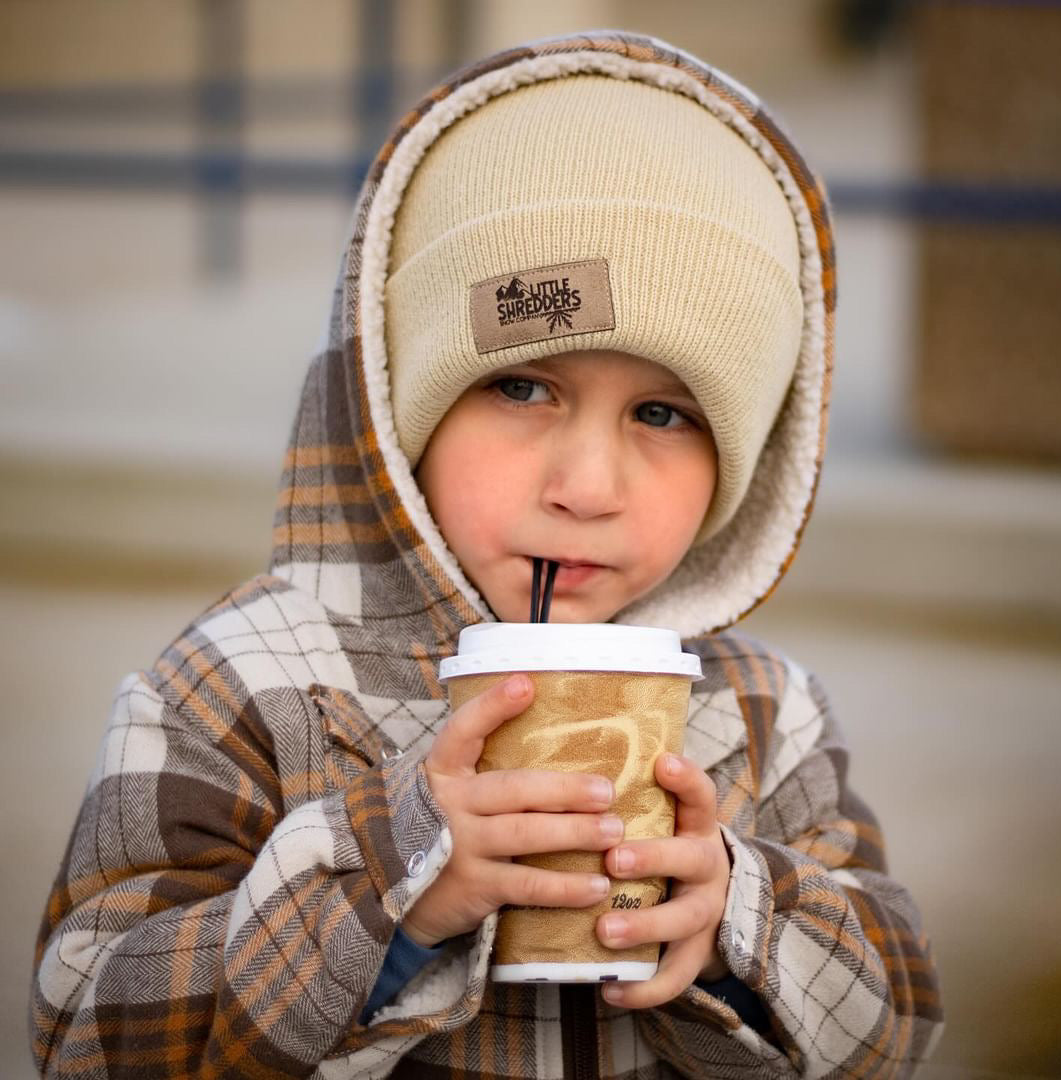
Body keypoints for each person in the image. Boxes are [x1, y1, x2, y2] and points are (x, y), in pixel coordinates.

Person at [30, 29, 944, 1078]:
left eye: (662, 411)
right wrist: (390, 883)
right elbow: (86, 1037)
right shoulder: (240, 692)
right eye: (521, 387)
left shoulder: (764, 720)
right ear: (397, 400)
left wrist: (736, 922)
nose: (588, 486)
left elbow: (903, 1022)